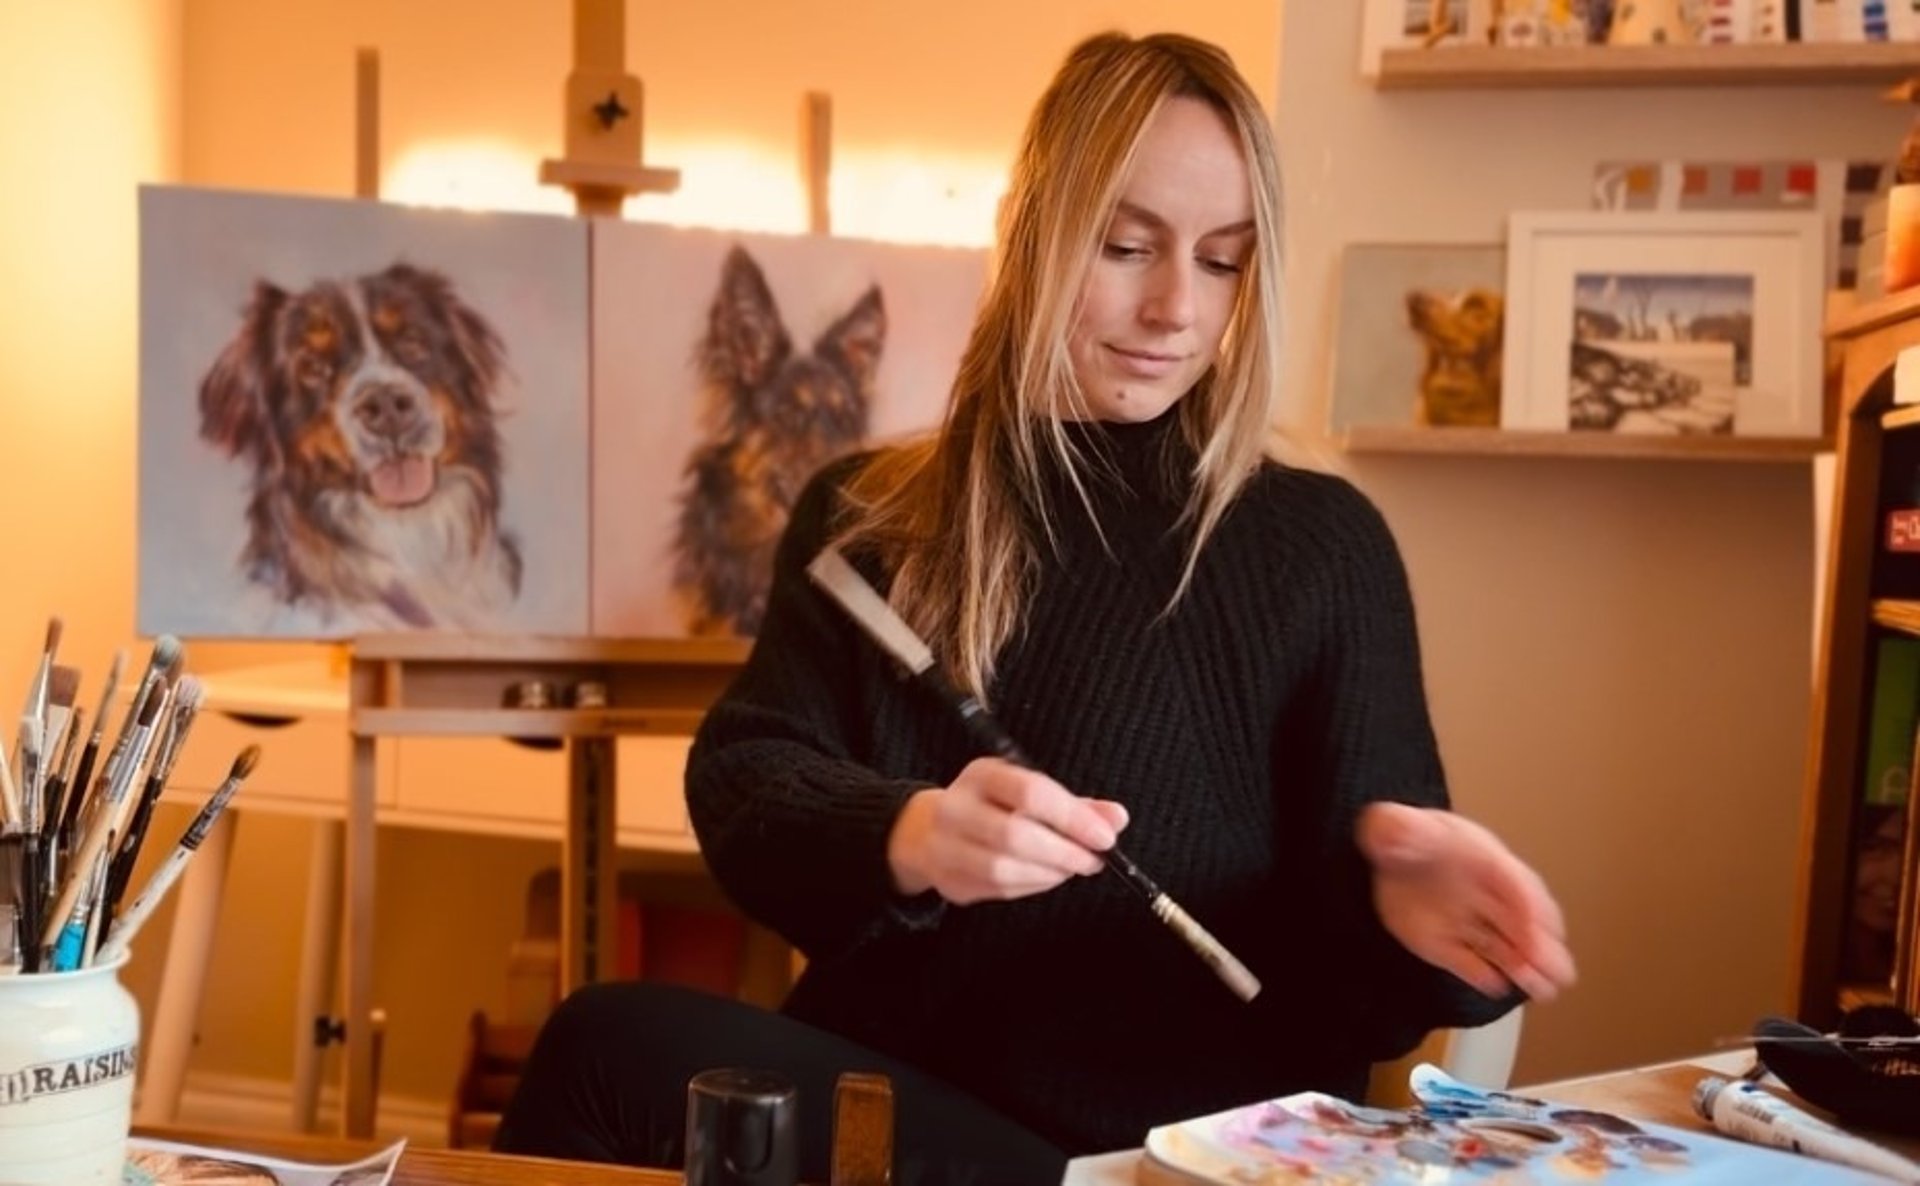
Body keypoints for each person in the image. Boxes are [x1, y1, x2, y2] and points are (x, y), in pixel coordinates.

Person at [495, 29, 1576, 1184]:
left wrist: (1422, 933)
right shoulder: (868, 515)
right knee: (604, 1043)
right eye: (1125, 245)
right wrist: (911, 834)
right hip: (887, 1110)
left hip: (1167, 1155)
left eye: (1221, 260)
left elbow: (1361, 1011)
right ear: (1033, 228)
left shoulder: (1320, 548)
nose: (1173, 307)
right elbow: (745, 785)